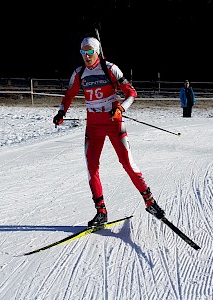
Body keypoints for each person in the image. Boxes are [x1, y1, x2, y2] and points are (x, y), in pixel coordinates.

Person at [53, 37, 165, 227]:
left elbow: (132, 93)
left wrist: (121, 108)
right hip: (94, 125)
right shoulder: (79, 73)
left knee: (127, 163)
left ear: (97, 52)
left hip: (114, 122)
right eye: (83, 53)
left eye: (90, 52)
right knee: (92, 167)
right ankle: (101, 211)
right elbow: (69, 95)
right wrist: (61, 112)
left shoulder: (110, 68)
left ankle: (150, 202)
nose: (87, 57)